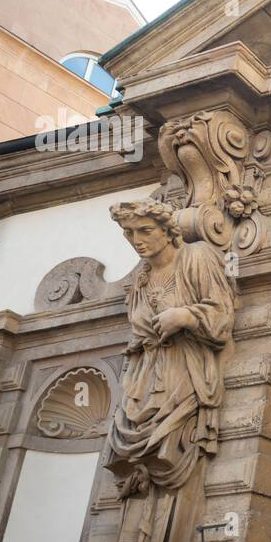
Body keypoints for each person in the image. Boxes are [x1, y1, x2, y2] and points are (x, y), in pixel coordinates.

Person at [104, 200, 236, 494]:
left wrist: (186, 315)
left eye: (145, 230)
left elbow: (222, 318)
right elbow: (137, 339)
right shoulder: (142, 277)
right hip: (144, 379)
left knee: (171, 444)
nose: (137, 240)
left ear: (167, 230)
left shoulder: (197, 256)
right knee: (131, 450)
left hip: (185, 369)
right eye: (128, 233)